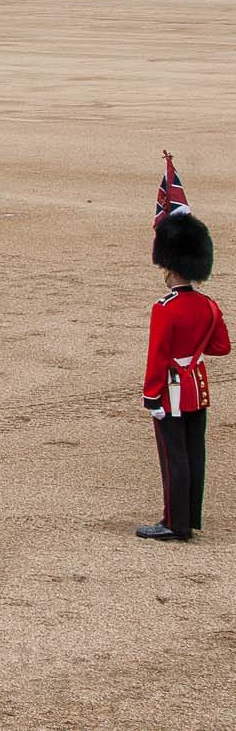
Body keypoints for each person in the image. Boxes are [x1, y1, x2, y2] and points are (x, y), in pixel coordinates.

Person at [138, 211, 229, 542]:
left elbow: (158, 356)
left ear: (168, 268)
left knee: (173, 455)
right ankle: (189, 516)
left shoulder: (166, 308)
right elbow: (221, 347)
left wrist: (151, 395)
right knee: (194, 454)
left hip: (173, 391)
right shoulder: (209, 306)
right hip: (197, 386)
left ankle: (175, 523)